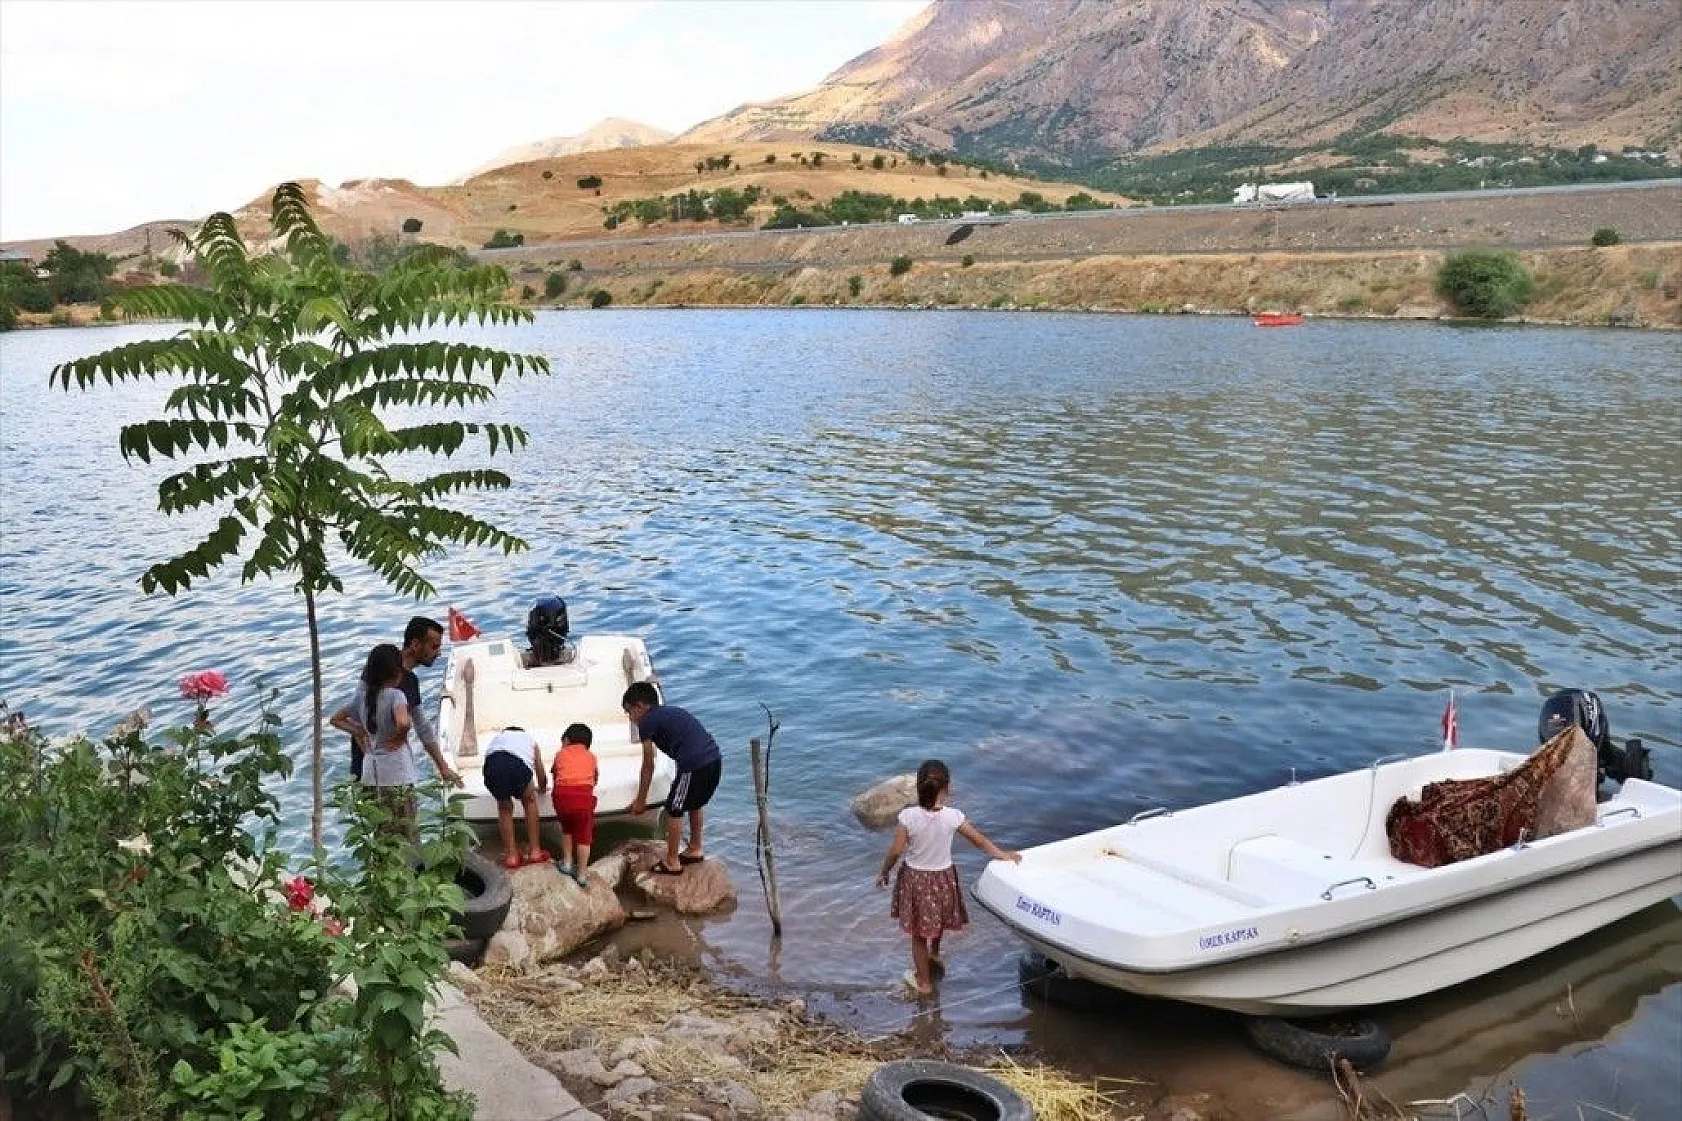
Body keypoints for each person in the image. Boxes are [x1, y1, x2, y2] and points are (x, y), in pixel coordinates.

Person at [876, 758, 1020, 997]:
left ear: (919, 787)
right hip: (944, 878)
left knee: (918, 933)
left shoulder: (908, 817)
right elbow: (979, 840)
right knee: (939, 920)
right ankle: (935, 953)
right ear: (946, 789)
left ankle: (924, 983)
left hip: (916, 881)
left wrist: (884, 873)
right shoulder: (953, 816)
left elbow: (895, 851)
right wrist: (1001, 854)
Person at [623, 680, 722, 877]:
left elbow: (648, 765)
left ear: (640, 706)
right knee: (695, 804)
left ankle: (672, 861)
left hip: (693, 765)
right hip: (714, 759)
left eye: (629, 712)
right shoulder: (672, 712)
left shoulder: (647, 722)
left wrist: (641, 800)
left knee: (673, 809)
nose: (631, 718)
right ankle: (695, 848)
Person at [349, 616, 460, 788]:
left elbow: (422, 726)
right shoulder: (379, 669)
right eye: (434, 646)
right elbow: (355, 712)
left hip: (395, 769)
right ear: (415, 645)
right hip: (370, 768)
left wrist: (443, 767)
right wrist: (369, 749)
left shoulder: (411, 682)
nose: (438, 653)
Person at [329, 644, 421, 839]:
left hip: (371, 772)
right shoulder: (397, 696)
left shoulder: (361, 697)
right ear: (397, 672)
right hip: (398, 774)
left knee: (382, 832)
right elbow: (404, 722)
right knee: (406, 832)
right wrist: (398, 737)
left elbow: (335, 719)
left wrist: (360, 732)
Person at [482, 726, 549, 870]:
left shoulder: (497, 740)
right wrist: (542, 787)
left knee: (504, 807)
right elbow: (540, 770)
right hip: (517, 764)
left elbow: (489, 759)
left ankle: (511, 856)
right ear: (522, 732)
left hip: (492, 765)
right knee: (529, 801)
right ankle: (535, 851)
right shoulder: (530, 740)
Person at [550, 722, 599, 886]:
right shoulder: (591, 756)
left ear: (567, 740)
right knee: (584, 836)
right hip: (583, 799)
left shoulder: (560, 754)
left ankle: (567, 862)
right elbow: (595, 779)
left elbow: (555, 775)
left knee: (567, 828)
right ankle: (582, 874)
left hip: (562, 797)